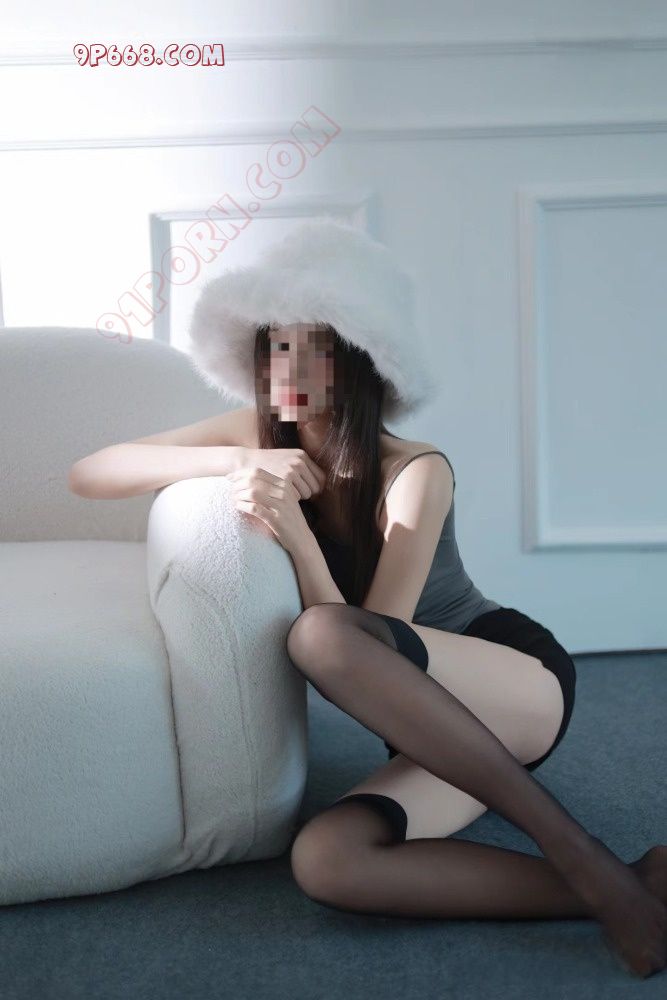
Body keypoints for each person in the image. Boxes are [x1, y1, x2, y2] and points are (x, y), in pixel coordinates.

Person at [123, 219, 667, 977]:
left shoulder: (416, 469)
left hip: (508, 681)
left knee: (320, 637)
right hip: (426, 724)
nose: (291, 368)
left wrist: (296, 535)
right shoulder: (260, 433)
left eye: (318, 348)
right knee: (327, 862)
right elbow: (98, 468)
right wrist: (238, 460)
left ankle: (584, 859)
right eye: (277, 346)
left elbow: (367, 641)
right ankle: (630, 885)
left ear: (360, 362)